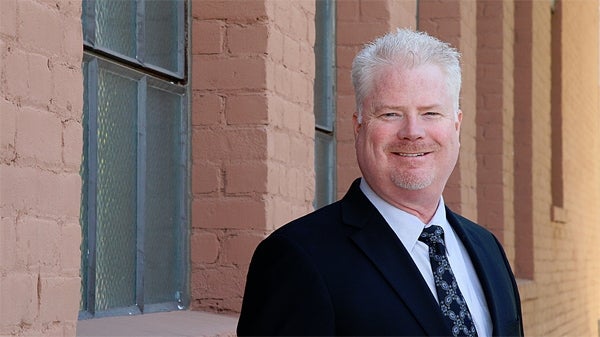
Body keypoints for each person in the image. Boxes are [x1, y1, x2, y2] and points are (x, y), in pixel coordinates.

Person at [237, 28, 523, 337]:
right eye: (390, 114)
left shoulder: (487, 247)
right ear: (359, 127)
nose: (412, 132)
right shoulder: (297, 258)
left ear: (456, 125)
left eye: (430, 113)